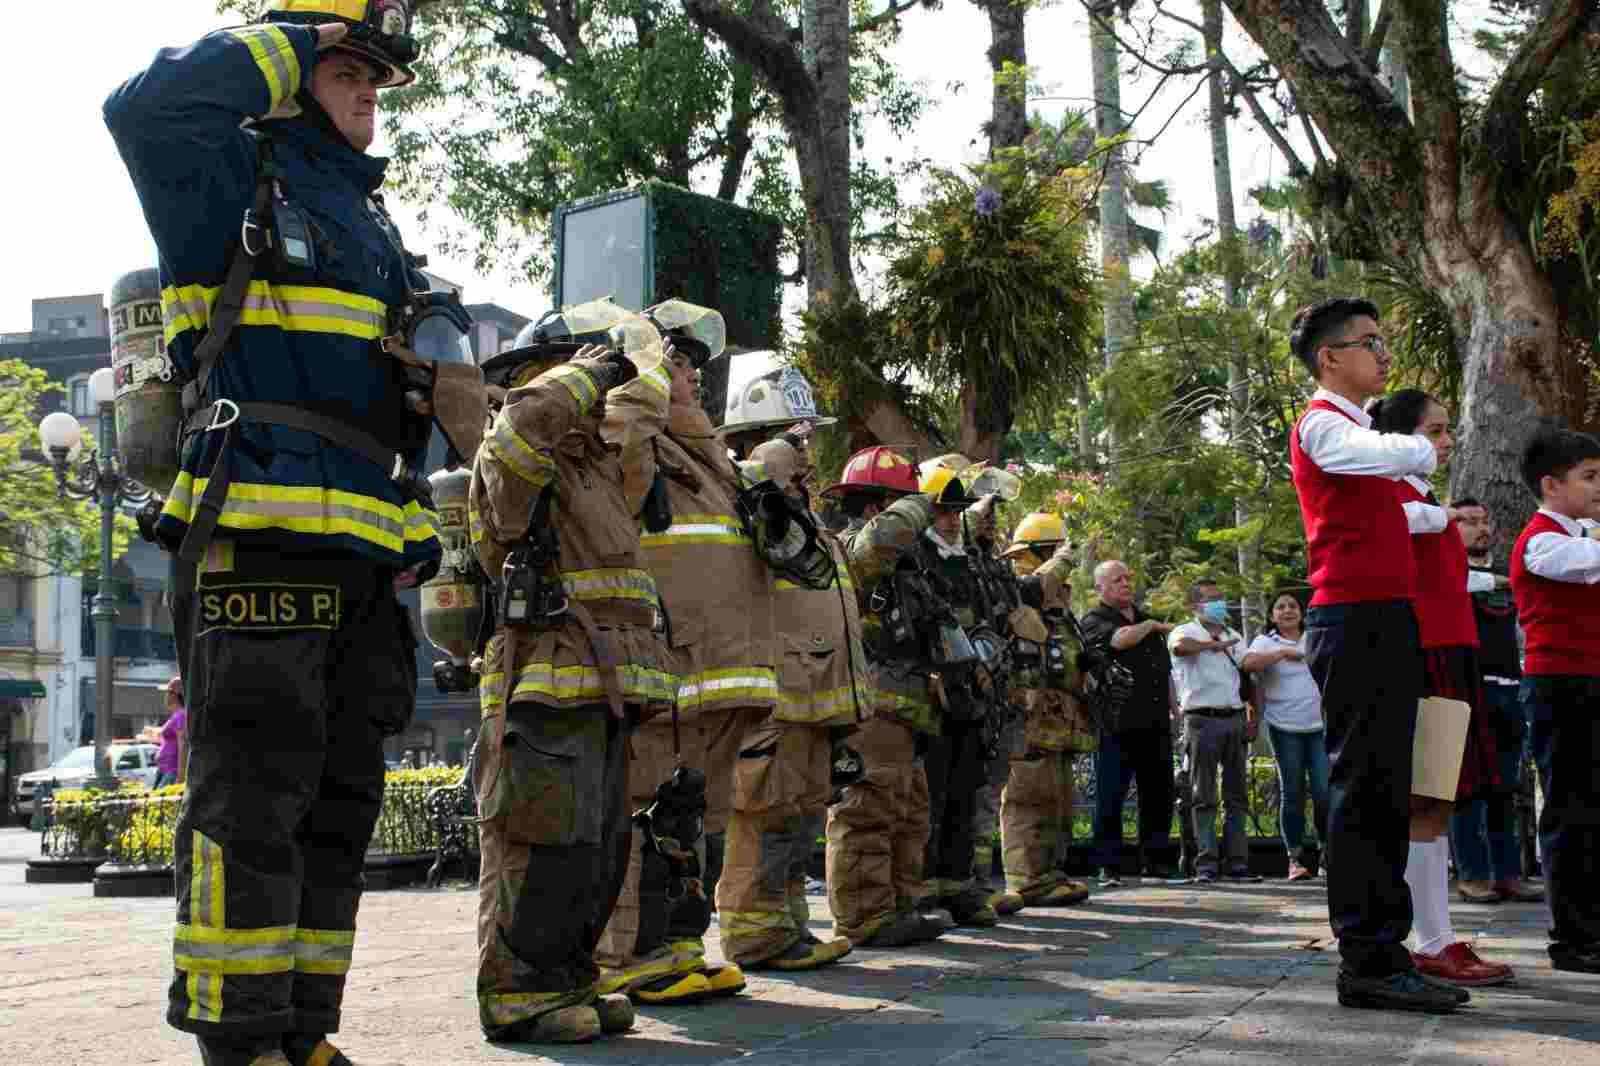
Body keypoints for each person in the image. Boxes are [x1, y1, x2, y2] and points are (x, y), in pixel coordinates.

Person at [105, 6, 443, 1062]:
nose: (369, 88)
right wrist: (301, 30)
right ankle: (239, 1037)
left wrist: (414, 521)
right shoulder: (226, 176)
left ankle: (301, 1032)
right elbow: (144, 108)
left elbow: (386, 404)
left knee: (340, 807)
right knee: (252, 800)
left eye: (377, 75)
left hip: (363, 558)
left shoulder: (371, 223)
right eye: (349, 68)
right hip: (257, 534)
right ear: (293, 77)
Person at [469, 315, 678, 1043]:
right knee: (542, 841)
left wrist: (643, 371)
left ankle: (567, 977)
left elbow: (641, 425)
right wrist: (586, 372)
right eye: (587, 369)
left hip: (607, 678)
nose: (603, 384)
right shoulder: (514, 443)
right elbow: (521, 432)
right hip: (546, 675)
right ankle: (518, 991)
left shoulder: (595, 463)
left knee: (599, 846)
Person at [1287, 296, 1460, 1014]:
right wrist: (1420, 448)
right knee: (1364, 788)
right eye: (1370, 342)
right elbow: (1379, 455)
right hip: (1352, 619)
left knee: (1387, 788)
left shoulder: (1355, 429)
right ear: (1330, 358)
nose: (1384, 355)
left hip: (1384, 617)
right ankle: (1365, 956)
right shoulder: (1322, 425)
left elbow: (1398, 507)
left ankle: (1387, 951)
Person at [593, 303, 765, 1005]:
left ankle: (681, 945)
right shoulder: (630, 427)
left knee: (700, 816)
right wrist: (644, 378)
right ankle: (629, 955)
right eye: (676, 360)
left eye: (692, 364)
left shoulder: (707, 454)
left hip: (725, 671)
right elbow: (619, 462)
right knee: (644, 812)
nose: (688, 374)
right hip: (668, 667)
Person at [1369, 389, 1512, 988]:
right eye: (1434, 431)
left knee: (1440, 798)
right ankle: (1428, 940)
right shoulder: (1389, 495)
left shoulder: (1422, 497)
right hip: (1425, 654)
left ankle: (1435, 934)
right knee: (1425, 797)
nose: (1447, 442)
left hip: (1453, 652)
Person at [713, 436, 861, 972]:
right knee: (766, 815)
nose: (805, 483)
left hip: (814, 698)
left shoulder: (810, 531)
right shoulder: (760, 524)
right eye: (796, 475)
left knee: (800, 815)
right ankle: (754, 935)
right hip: (781, 698)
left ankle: (789, 927)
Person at [823, 448, 952, 948]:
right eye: (906, 504)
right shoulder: (852, 546)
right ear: (878, 506)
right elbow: (877, 544)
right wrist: (921, 502)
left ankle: (898, 906)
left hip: (907, 709)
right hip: (875, 705)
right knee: (867, 811)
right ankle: (863, 916)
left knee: (909, 814)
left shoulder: (908, 567)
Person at [1509, 427, 1600, 975]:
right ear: (1550, 484)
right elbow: (1583, 560)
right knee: (1571, 810)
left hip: (1587, 683)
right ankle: (1573, 935)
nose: (1598, 487)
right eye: (1589, 477)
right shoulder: (1541, 542)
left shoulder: (1581, 536)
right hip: (1562, 686)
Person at [913, 468, 1006, 926]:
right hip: (931, 693)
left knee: (964, 792)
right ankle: (925, 889)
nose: (952, 520)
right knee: (930, 795)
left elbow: (986, 619)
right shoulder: (913, 559)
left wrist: (987, 660)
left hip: (971, 692)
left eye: (956, 512)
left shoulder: (968, 563)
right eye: (943, 511)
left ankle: (959, 887)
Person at [997, 513, 1095, 907]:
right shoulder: (1017, 586)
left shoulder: (1056, 596)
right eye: (1055, 551)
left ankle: (1049, 873)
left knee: (1057, 797)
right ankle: (1027, 878)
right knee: (1029, 796)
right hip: (1029, 712)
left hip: (1059, 712)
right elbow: (1032, 595)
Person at [1450, 498, 1544, 904]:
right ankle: (1473, 874)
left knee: (1505, 788)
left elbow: (1523, 633)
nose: (1481, 528)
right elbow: (1454, 586)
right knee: (1468, 788)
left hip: (1509, 691)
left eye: (1484, 521)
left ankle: (1507, 874)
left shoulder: (1505, 579)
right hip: (1467, 691)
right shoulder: (1448, 575)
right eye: (1469, 522)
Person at [1081, 561, 1178, 886]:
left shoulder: (1145, 618)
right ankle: (1108, 865)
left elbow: (1163, 670)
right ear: (1100, 588)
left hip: (1155, 722)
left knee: (1159, 794)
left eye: (1127, 578)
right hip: (1117, 723)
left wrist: (1174, 707)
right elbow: (1120, 641)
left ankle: (1156, 861)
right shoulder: (1094, 620)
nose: (1125, 583)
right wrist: (1150, 625)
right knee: (1111, 795)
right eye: (1117, 579)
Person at [1169, 580, 1261, 884]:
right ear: (1195, 605)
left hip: (1234, 717)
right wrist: (1213, 646)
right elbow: (1180, 648)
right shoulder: (1185, 630)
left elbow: (1248, 668)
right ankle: (1206, 864)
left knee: (1237, 796)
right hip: (1201, 720)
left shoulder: (1234, 635)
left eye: (1221, 597)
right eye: (1212, 599)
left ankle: (1238, 863)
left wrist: (1253, 716)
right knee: (1203, 795)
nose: (1219, 603)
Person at [1240, 592, 1328, 881]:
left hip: (1320, 726)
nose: (1288, 610)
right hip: (1284, 727)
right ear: (1272, 615)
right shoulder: (1266, 642)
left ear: (1302, 612)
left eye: (1293, 606)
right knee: (1293, 792)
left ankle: (1327, 854)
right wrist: (1282, 654)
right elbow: (1248, 664)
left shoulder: (1314, 637)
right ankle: (1295, 858)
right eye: (1280, 607)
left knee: (1324, 791)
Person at [154, 677, 188, 788]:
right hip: (163, 770)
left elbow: (182, 744)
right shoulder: (176, 715)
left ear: (175, 695)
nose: (166, 696)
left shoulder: (181, 715)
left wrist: (181, 776)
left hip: (171, 771)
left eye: (168, 692)